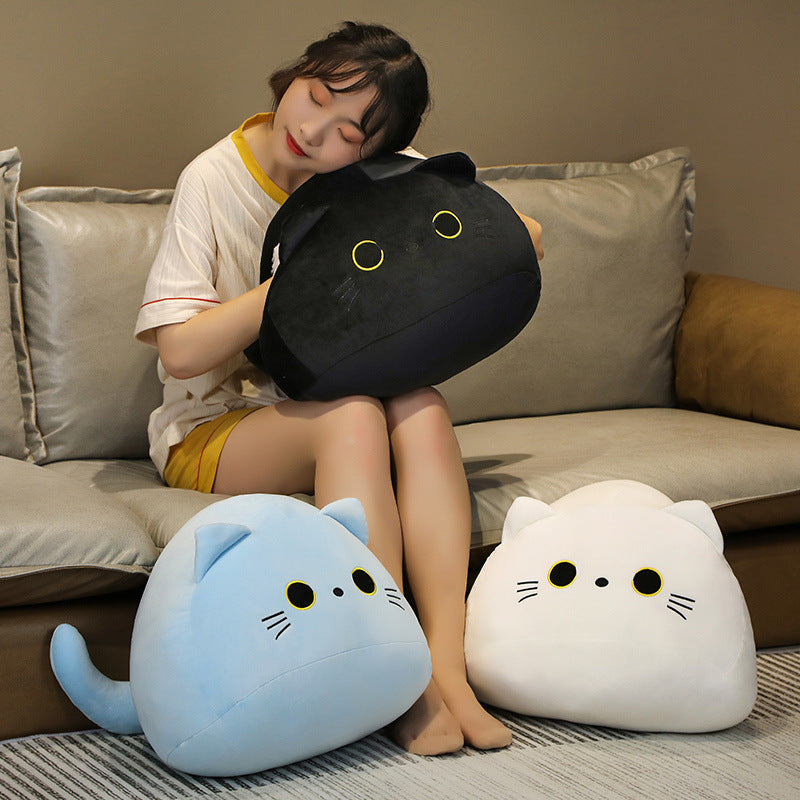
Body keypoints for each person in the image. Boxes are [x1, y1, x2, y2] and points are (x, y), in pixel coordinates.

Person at [135, 21, 543, 756]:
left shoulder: (381, 178)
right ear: (297, 74)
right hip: (213, 430)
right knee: (354, 416)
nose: (313, 130)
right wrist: (296, 286)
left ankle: (445, 667)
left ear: (376, 148)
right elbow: (181, 350)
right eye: (317, 96)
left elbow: (528, 234)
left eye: (350, 133)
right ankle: (395, 676)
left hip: (329, 403)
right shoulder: (214, 179)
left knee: (421, 405)